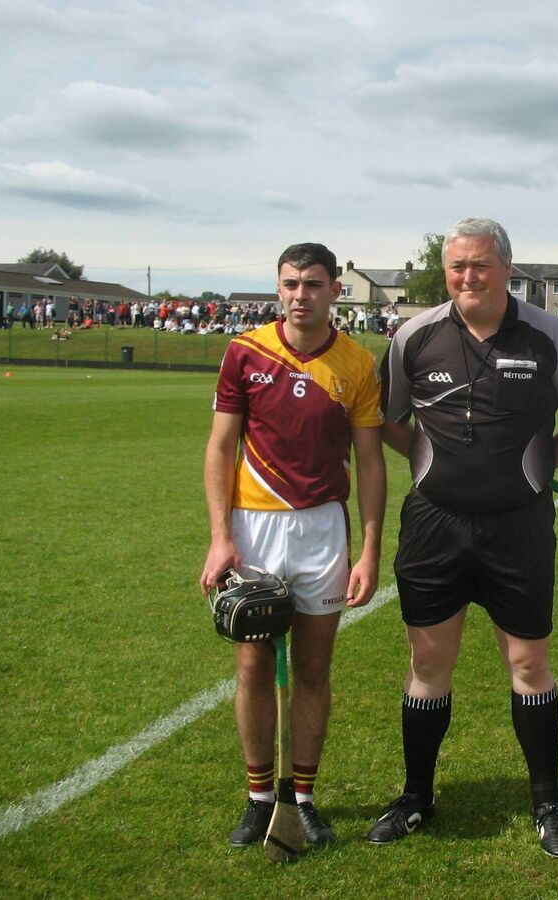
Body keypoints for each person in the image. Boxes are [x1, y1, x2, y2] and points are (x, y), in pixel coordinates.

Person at [370, 217, 558, 858]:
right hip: (434, 525)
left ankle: (548, 803)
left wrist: (532, 470)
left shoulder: (552, 334)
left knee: (528, 663)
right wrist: (431, 465)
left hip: (519, 526)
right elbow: (389, 420)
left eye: (481, 264)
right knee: (428, 663)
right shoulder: (414, 335)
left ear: (507, 268)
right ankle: (416, 798)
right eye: (458, 266)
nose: (469, 276)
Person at [199, 242, 386, 849]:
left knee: (312, 668)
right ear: (277, 288)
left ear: (336, 290)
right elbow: (220, 449)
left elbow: (370, 460)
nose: (300, 294)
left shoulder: (358, 363)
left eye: (312, 284)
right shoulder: (245, 352)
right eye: (289, 284)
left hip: (322, 529)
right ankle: (258, 799)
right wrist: (220, 538)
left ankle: (301, 798)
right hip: (254, 527)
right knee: (253, 665)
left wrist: (370, 549)